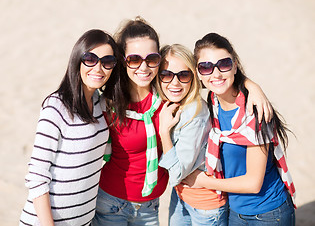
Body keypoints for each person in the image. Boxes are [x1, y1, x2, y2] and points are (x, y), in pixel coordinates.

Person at [182, 32, 296, 225]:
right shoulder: (213, 103)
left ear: (235, 65)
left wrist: (203, 181)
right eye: (206, 67)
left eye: (224, 64)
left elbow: (253, 183)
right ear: (198, 73)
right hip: (235, 211)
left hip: (268, 213)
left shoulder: (254, 111)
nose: (216, 73)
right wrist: (252, 84)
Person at [19, 29, 120, 226]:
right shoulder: (56, 107)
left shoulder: (101, 105)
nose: (98, 68)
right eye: (90, 59)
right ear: (77, 60)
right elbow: (37, 175)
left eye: (107, 62)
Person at [91, 17, 168, 226]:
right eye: (134, 59)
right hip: (111, 202)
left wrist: (251, 86)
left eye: (151, 59)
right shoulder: (107, 102)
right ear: (123, 60)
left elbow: (212, 81)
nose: (144, 67)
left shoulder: (169, 95)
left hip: (150, 206)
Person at [157, 44, 228, 226]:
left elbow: (176, 174)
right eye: (166, 75)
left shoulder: (195, 114)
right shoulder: (169, 104)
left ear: (193, 77)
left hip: (205, 207)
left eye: (183, 75)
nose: (175, 83)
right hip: (181, 195)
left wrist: (164, 131)